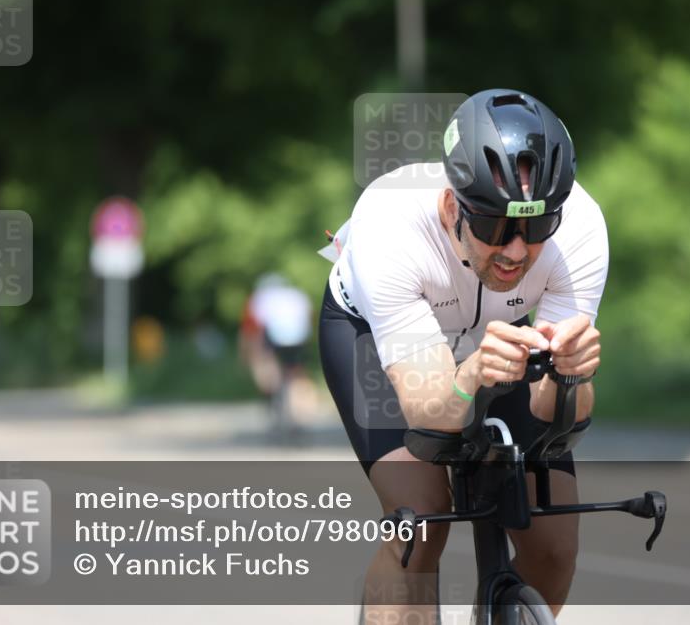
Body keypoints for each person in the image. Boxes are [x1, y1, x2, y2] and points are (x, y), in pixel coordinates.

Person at [318, 89, 607, 623]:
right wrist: (469, 375)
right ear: (453, 206)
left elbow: (560, 420)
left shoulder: (582, 229)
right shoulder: (389, 223)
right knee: (420, 522)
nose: (517, 250)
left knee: (555, 543)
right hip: (370, 332)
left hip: (501, 336)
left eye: (537, 226)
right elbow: (430, 411)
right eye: (496, 226)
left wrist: (572, 377)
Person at [239, 273, 314, 433]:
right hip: (298, 338)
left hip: (273, 337)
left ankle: (270, 392)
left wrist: (250, 356)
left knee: (265, 365)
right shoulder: (296, 294)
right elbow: (308, 319)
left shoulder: (259, 297)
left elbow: (252, 331)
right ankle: (299, 415)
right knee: (296, 374)